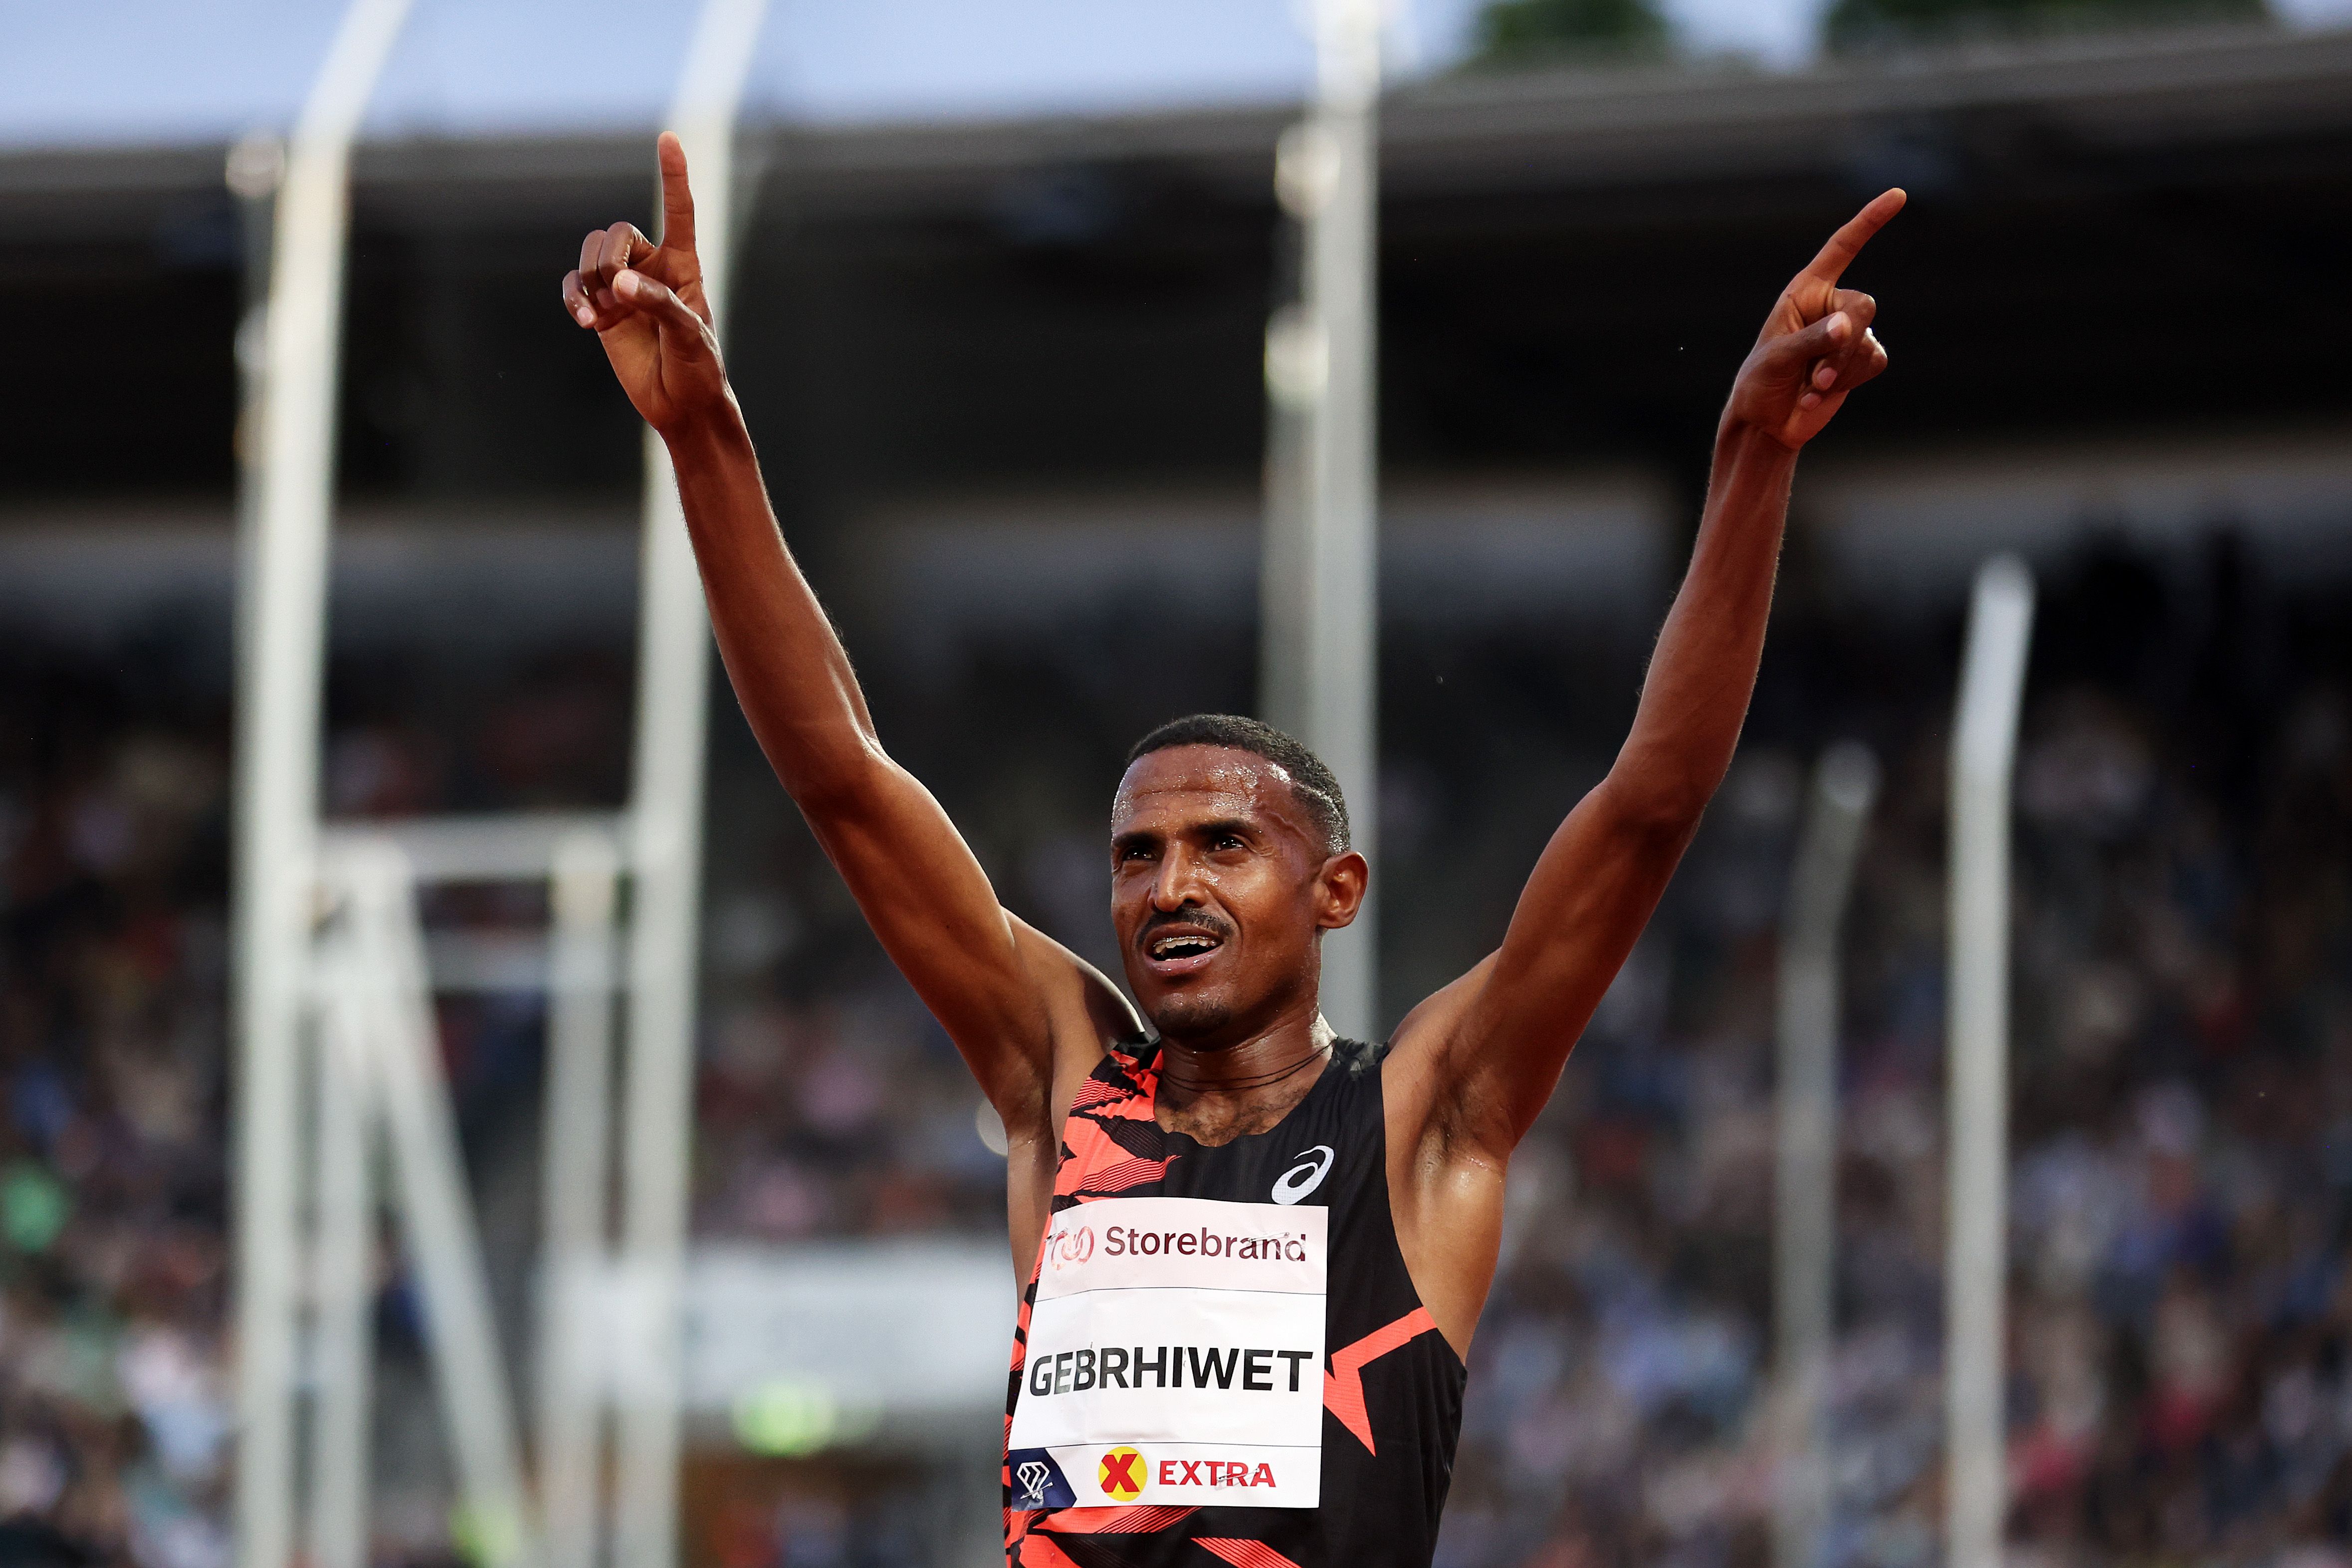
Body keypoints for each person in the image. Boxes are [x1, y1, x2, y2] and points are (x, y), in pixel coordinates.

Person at [562, 134, 1901, 1568]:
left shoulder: (1424, 1120)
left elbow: (1644, 804)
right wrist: (704, 436)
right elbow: (840, 773)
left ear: (1334, 890)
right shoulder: (1061, 1081)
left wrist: (1751, 456)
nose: (1168, 885)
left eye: (1219, 843)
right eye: (1135, 856)